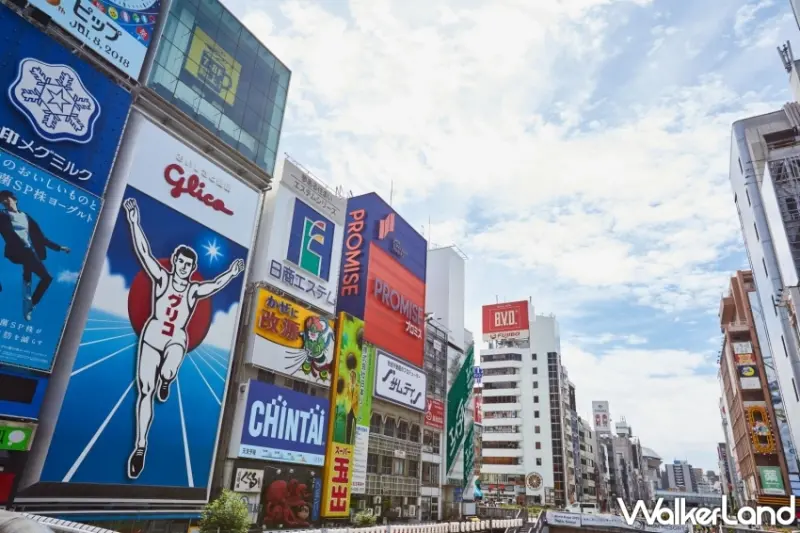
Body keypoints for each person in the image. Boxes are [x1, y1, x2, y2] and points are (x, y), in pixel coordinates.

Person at [122, 198, 244, 479]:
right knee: (144, 392)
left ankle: (168, 378)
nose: (185, 267)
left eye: (190, 264)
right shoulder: (162, 280)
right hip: (152, 337)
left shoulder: (192, 290)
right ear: (175, 262)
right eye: (182, 262)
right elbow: (144, 252)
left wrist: (233, 273)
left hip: (176, 337)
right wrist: (133, 220)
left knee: (170, 366)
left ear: (191, 267)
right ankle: (140, 447)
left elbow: (214, 285)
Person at [0, 190, 70, 320]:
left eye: (6, 198)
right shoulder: (2, 215)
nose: (4, 202)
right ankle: (26, 289)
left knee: (47, 278)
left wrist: (59, 247)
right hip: (14, 251)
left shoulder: (25, 217)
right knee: (27, 253)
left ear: (14, 199)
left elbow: (40, 238)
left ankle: (31, 304)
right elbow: (8, 233)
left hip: (28, 252)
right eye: (1, 201)